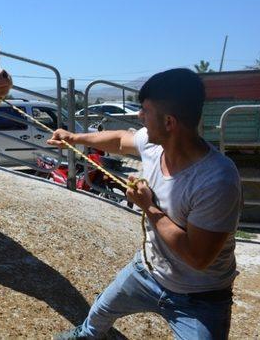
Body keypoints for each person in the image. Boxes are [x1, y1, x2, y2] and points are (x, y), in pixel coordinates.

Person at [50, 68, 242, 340]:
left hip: (201, 298)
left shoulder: (217, 180)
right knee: (100, 311)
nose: (139, 117)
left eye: (145, 111)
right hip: (147, 272)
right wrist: (74, 138)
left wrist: (148, 207)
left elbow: (198, 257)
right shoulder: (155, 146)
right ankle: (86, 335)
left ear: (169, 123)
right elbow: (119, 139)